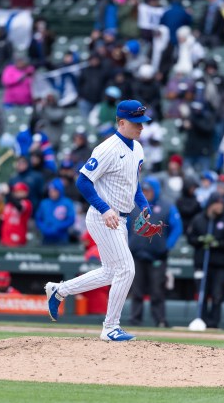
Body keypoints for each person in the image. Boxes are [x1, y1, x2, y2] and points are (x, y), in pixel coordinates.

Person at [44, 100, 153, 341]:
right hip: (103, 216)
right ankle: (110, 327)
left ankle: (59, 290)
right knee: (126, 269)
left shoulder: (138, 149)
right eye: (136, 123)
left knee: (110, 272)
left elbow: (134, 186)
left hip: (121, 218)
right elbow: (82, 181)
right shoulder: (107, 148)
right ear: (121, 122)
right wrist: (104, 209)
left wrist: (144, 206)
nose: (141, 128)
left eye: (142, 123)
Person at [128, 176, 182, 327]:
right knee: (136, 291)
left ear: (156, 190)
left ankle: (160, 320)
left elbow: (177, 228)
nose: (146, 193)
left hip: (157, 256)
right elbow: (125, 226)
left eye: (149, 190)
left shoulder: (166, 206)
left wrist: (167, 246)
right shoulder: (135, 206)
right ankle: (135, 320)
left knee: (157, 291)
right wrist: (127, 243)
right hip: (136, 255)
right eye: (144, 190)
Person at [186, 193, 224, 328]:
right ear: (211, 204)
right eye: (218, 203)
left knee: (217, 295)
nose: (220, 206)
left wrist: (217, 243)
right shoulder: (199, 219)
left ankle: (214, 323)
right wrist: (200, 240)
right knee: (202, 294)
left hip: (219, 264)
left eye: (221, 204)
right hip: (201, 263)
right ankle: (202, 321)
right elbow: (190, 237)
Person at [35, 178, 75, 245]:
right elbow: (38, 218)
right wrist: (43, 227)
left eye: (55, 191)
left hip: (62, 237)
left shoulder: (67, 203)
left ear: (60, 191)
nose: (52, 193)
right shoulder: (44, 203)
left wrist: (59, 226)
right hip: (46, 237)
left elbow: (71, 219)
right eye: (50, 191)